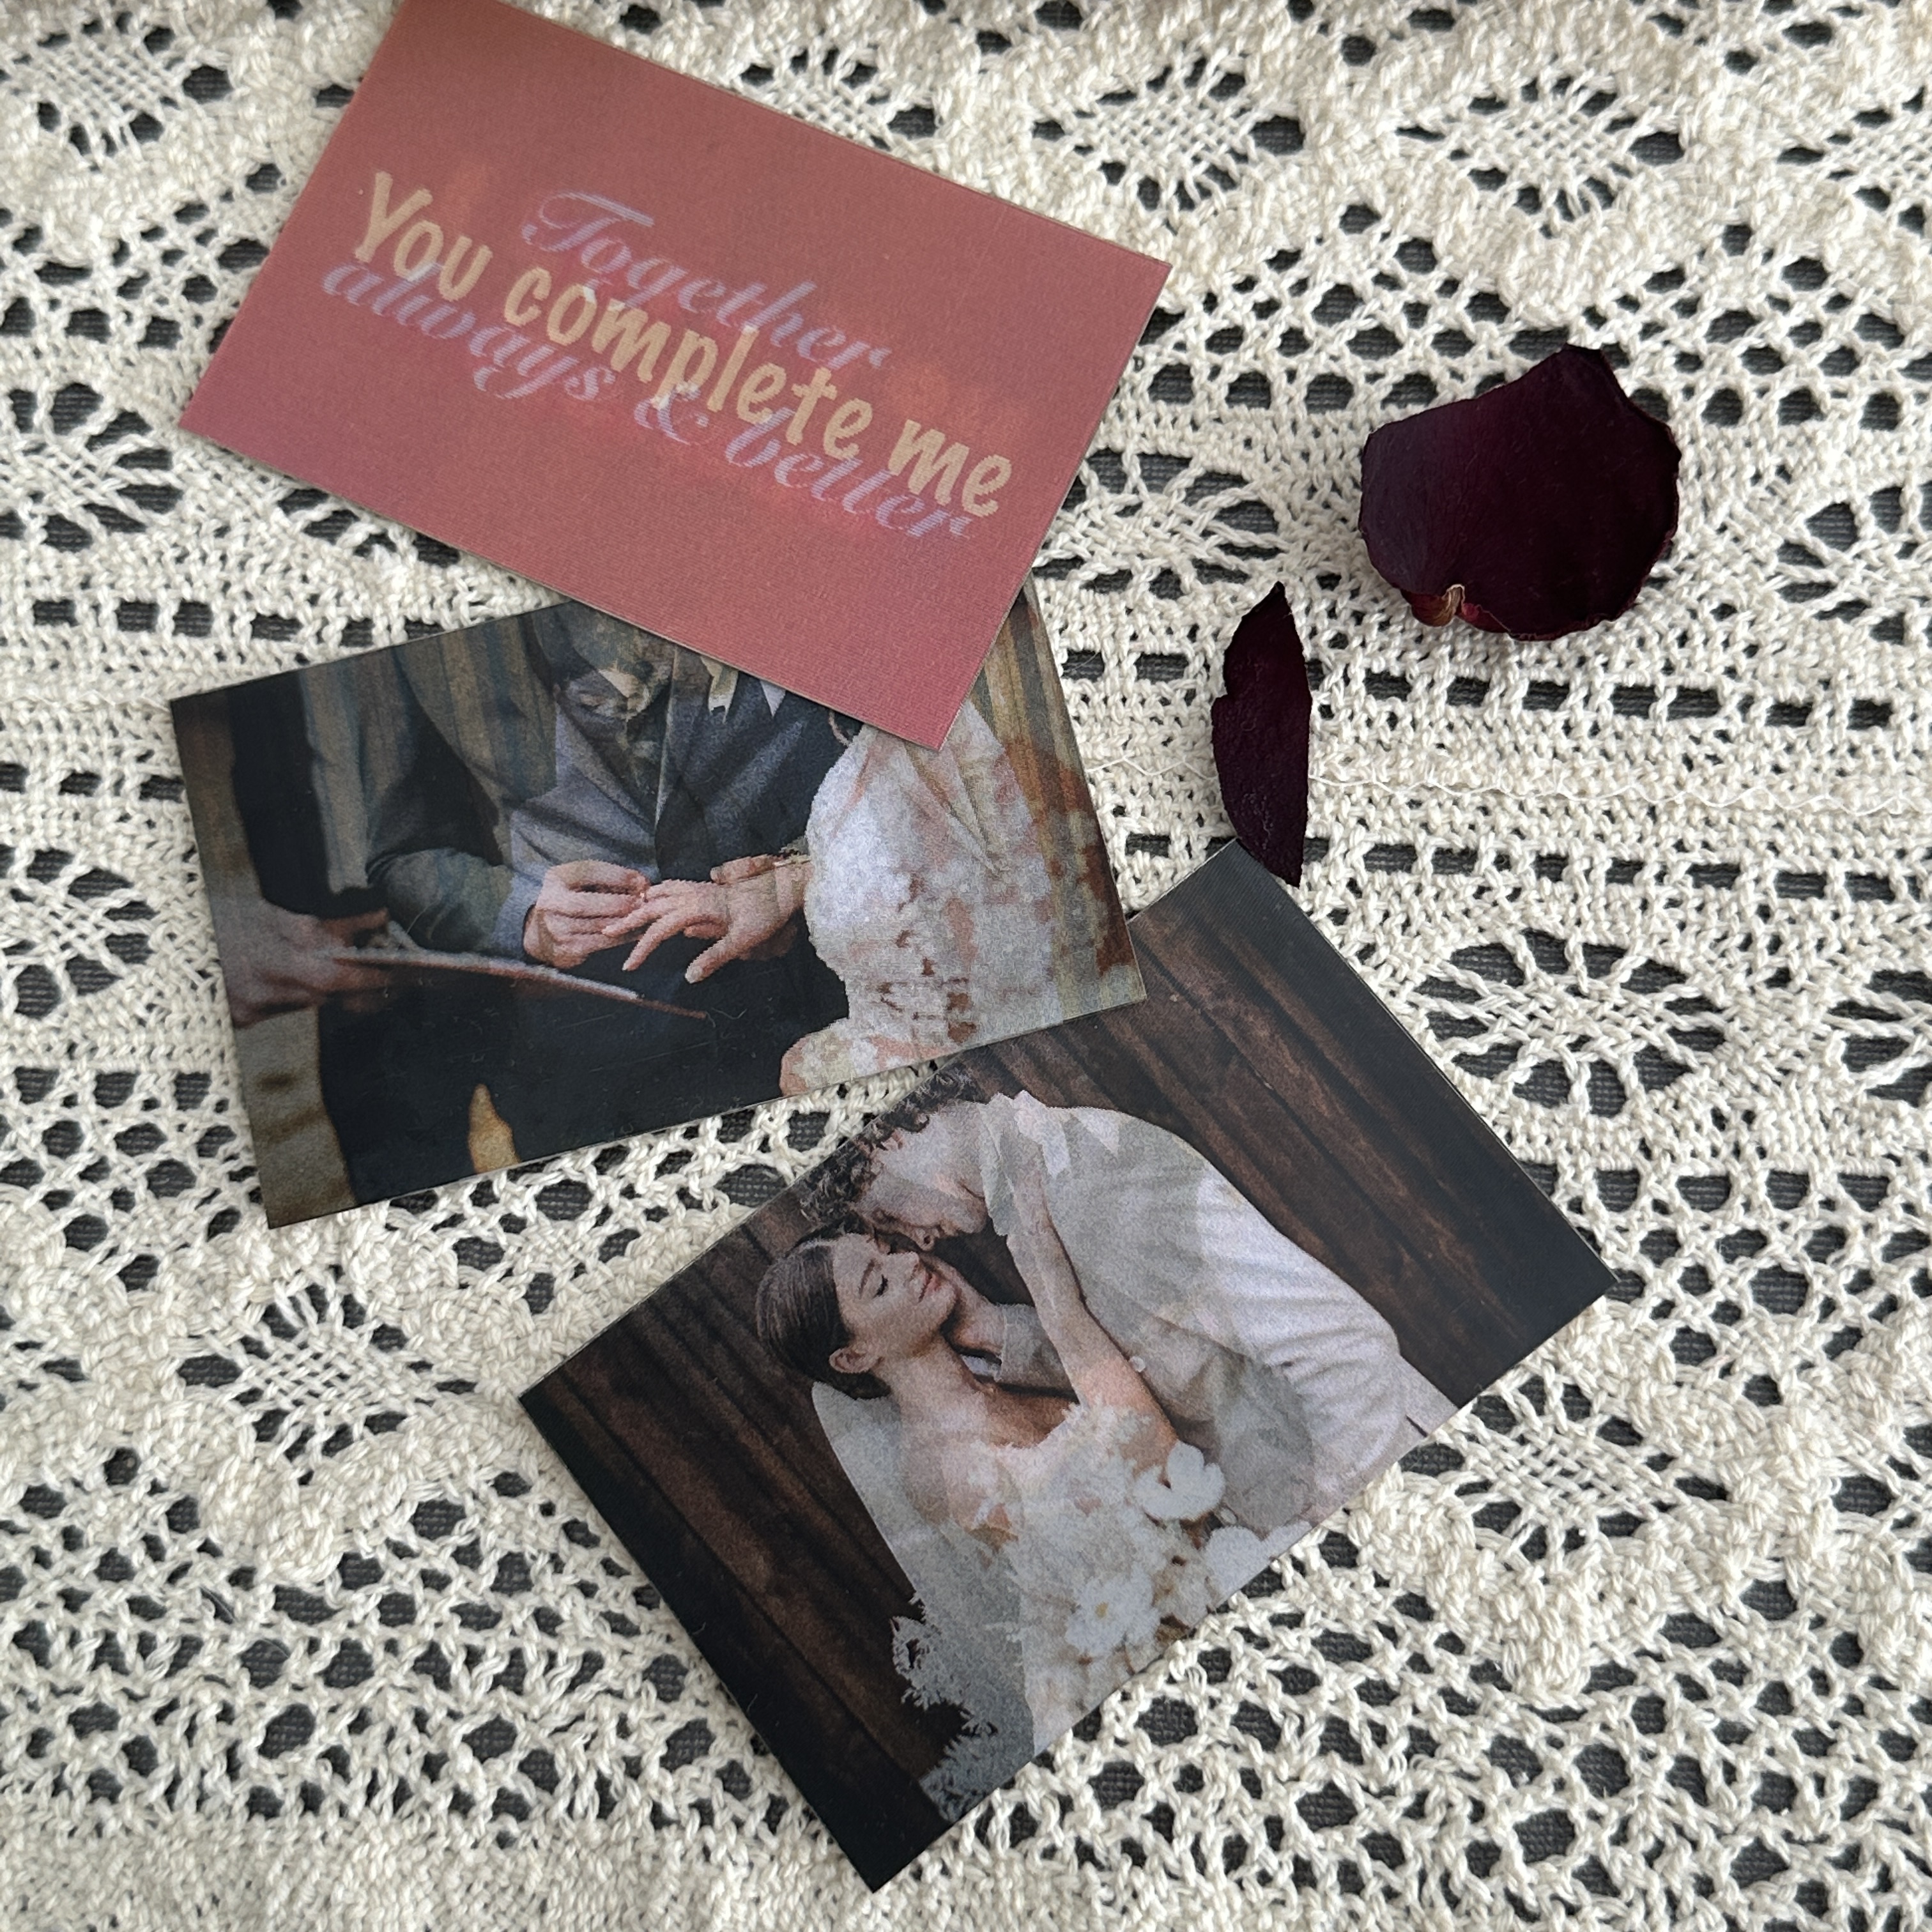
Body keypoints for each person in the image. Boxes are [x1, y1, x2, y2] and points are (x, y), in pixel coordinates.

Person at [758, 1153, 1254, 1744]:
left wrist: (991, 1324)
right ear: (855, 1356)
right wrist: (1058, 1301)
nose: (909, 1261)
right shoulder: (949, 1470)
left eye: (886, 1250)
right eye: (880, 1283)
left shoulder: (986, 1378)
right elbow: (1162, 1482)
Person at [818, 1091, 1457, 1532]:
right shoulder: (1038, 1187)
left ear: (887, 1141)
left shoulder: (1090, 1174)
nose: (920, 1242)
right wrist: (996, 1331)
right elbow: (1159, 1350)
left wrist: (1322, 1523)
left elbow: (1342, 1346)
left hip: (1390, 1484)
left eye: (889, 1215)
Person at [595, 684, 1066, 1093]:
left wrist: (800, 880)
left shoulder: (959, 709)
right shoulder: (679, 698)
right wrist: (791, 878)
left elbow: (1011, 865)